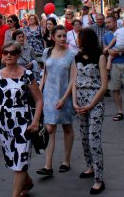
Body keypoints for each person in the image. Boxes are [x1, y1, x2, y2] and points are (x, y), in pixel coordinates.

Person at [0, 41, 44, 197]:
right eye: (5, 52)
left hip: (24, 123)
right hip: (4, 124)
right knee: (13, 160)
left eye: (12, 52)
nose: (8, 55)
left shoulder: (27, 75)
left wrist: (36, 120)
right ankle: (27, 181)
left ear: (18, 55)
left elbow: (39, 100)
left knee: (20, 161)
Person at [37, 25, 76, 177]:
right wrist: (39, 92)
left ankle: (66, 161)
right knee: (50, 129)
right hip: (49, 96)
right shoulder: (47, 52)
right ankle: (48, 165)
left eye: (64, 36)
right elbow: (45, 74)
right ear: (53, 37)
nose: (62, 39)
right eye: (59, 36)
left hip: (64, 95)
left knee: (67, 127)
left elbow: (73, 79)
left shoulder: (72, 55)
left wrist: (65, 98)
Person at [72, 28, 108, 194]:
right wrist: (73, 101)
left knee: (94, 139)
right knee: (84, 137)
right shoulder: (76, 57)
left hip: (95, 101)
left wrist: (92, 104)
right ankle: (90, 166)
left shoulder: (100, 57)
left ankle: (99, 179)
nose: (78, 41)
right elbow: (74, 81)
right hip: (80, 101)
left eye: (80, 38)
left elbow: (104, 85)